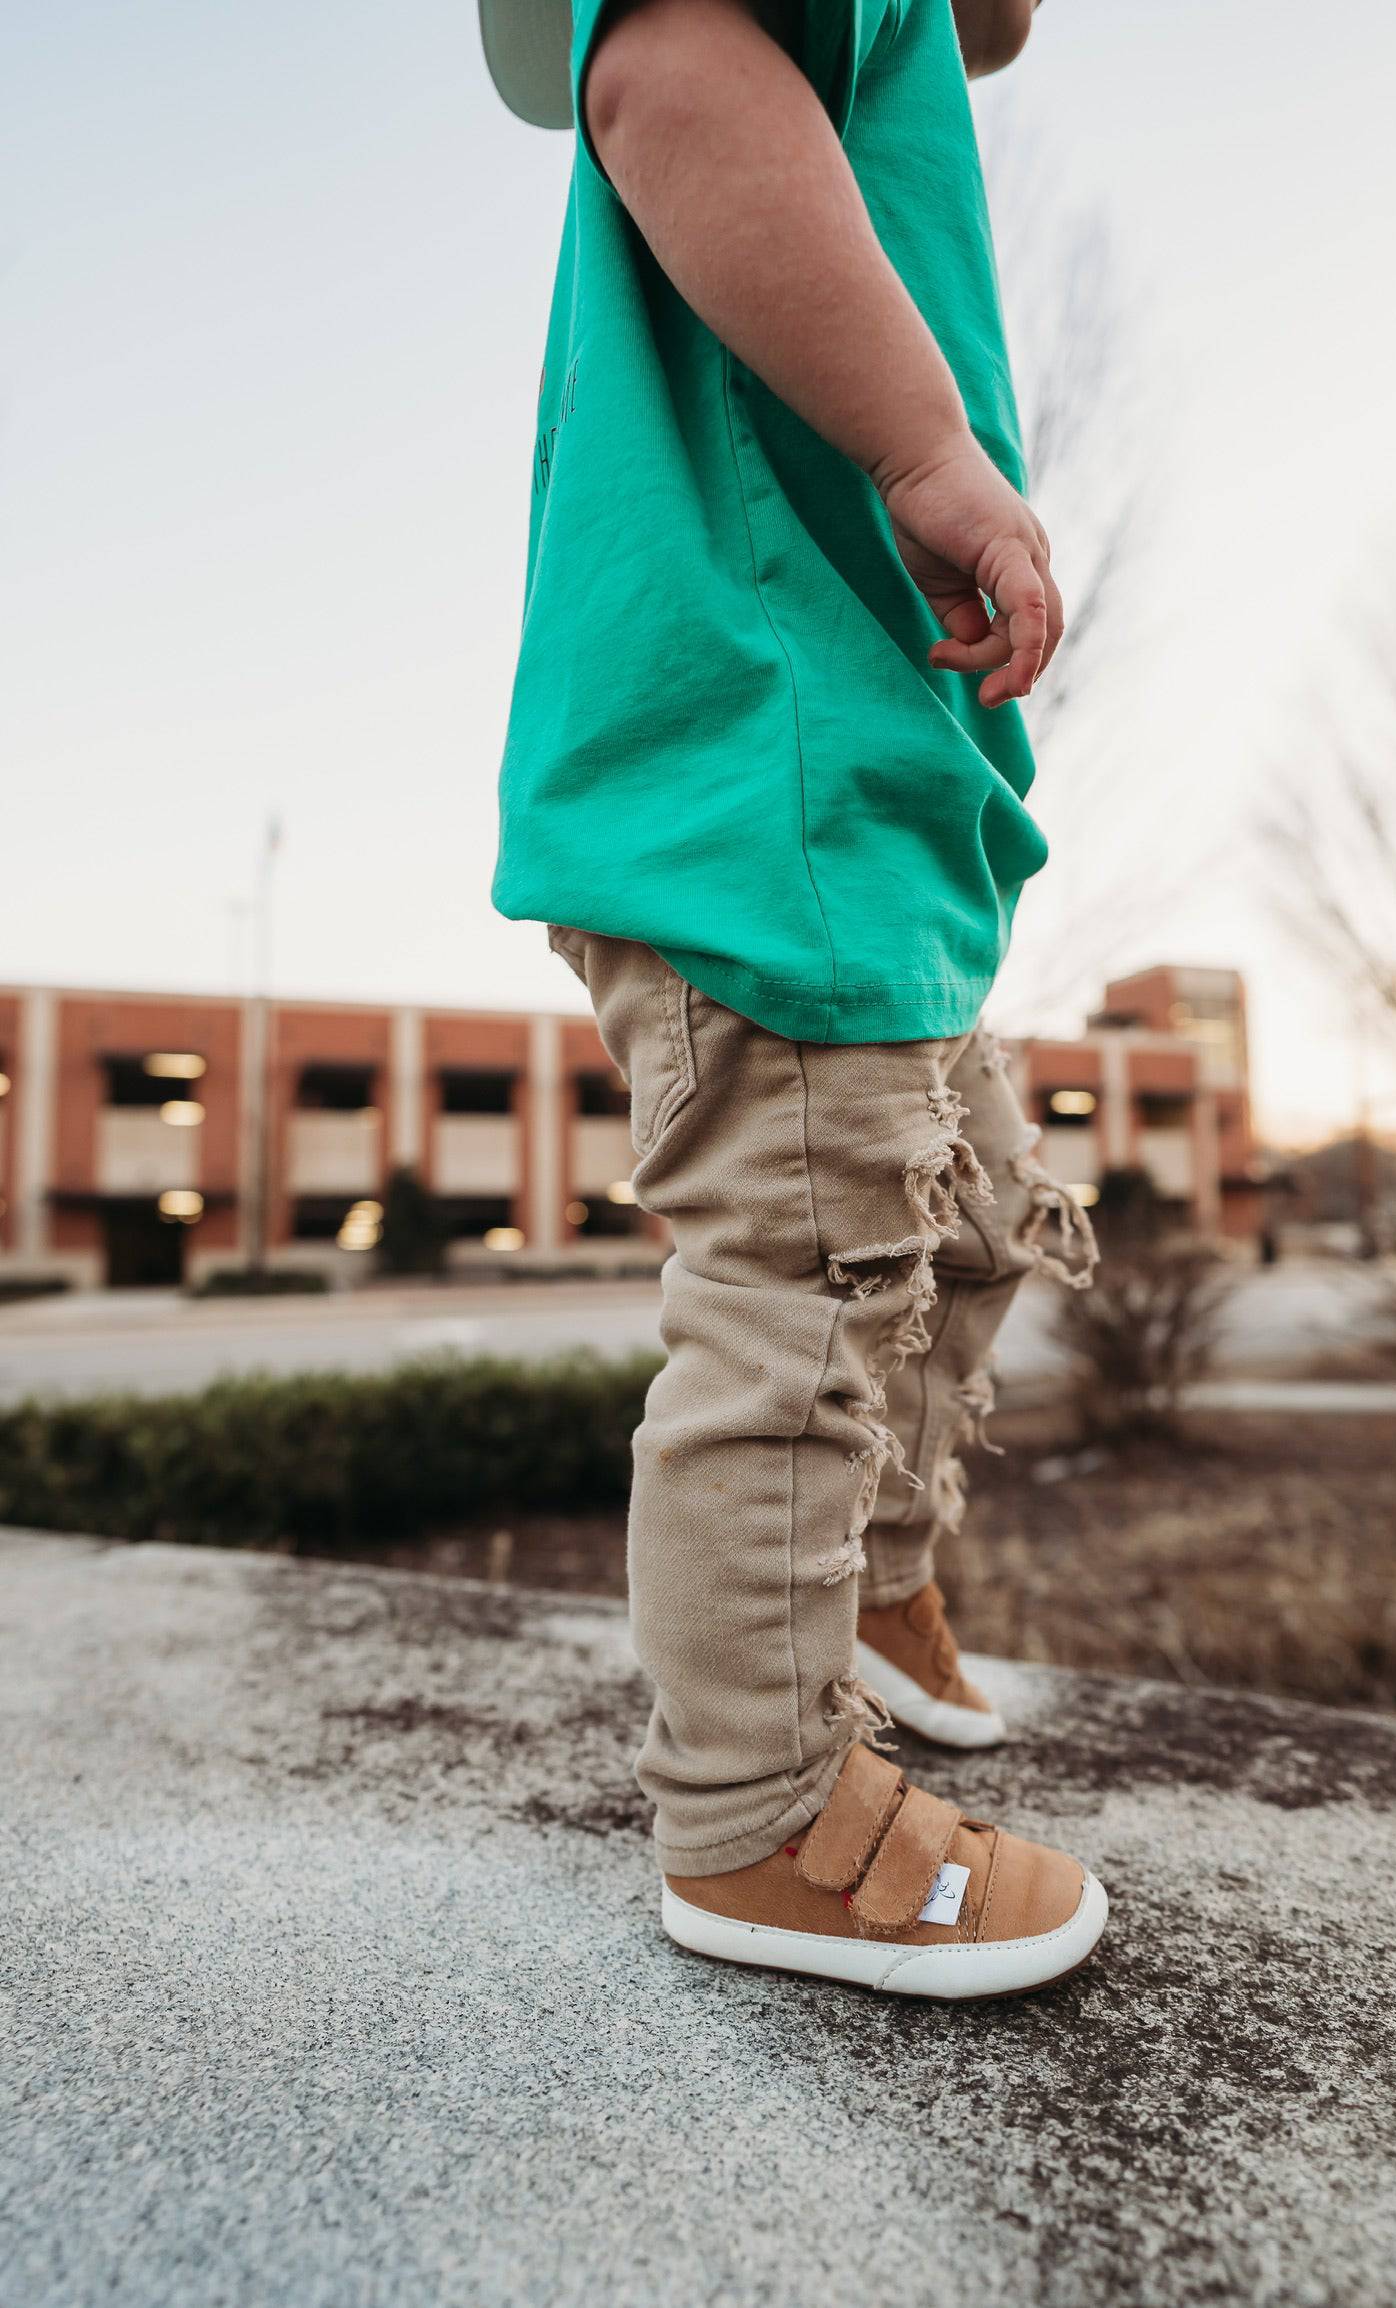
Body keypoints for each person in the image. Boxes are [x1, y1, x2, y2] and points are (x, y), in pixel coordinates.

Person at [480, 0, 1105, 1998]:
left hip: (852, 756)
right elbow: (661, 76)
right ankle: (754, 1812)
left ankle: (874, 1580)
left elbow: (982, 32)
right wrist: (937, 454)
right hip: (766, 745)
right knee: (805, 1270)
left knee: (978, 1205)